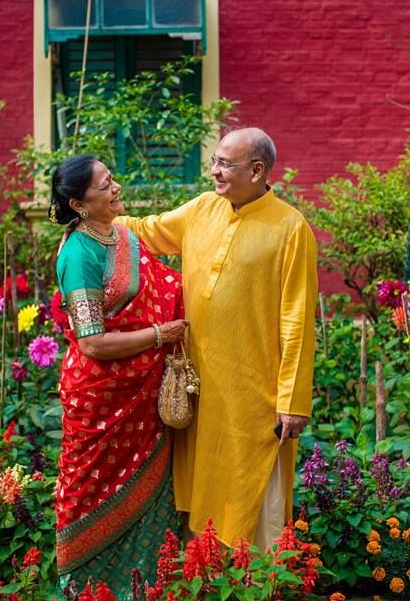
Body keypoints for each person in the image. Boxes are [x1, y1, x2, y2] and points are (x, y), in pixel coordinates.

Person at [117, 127, 318, 549]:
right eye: (215, 161)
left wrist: (292, 400)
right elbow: (146, 231)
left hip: (256, 391)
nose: (214, 171)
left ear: (257, 170)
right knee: (204, 482)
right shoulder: (202, 209)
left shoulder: (290, 228)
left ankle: (259, 583)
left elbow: (297, 318)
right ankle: (206, 574)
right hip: (201, 386)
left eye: (225, 164)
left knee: (256, 488)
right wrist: (93, 218)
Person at [49, 154, 188, 596]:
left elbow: (168, 286)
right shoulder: (78, 254)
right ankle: (88, 588)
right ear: (79, 203)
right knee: (91, 491)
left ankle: (149, 586)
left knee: (151, 493)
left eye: (113, 179)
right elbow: (90, 342)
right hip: (101, 400)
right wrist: (159, 334)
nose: (116, 188)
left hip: (143, 396)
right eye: (105, 185)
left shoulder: (124, 236)